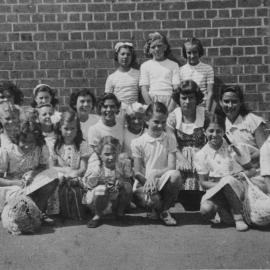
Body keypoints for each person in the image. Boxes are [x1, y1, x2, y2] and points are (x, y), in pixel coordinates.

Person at [194, 113, 257, 231]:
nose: (214, 135)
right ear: (205, 131)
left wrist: (242, 174)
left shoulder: (234, 148)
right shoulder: (201, 154)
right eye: (211, 131)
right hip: (216, 190)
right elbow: (203, 183)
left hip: (238, 189)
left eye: (219, 131)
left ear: (224, 131)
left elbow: (252, 170)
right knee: (205, 209)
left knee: (227, 180)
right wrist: (221, 186)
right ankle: (226, 212)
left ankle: (238, 218)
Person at [131, 102, 182, 226]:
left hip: (162, 180)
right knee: (152, 199)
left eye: (163, 122)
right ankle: (159, 209)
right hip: (144, 184)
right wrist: (148, 182)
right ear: (147, 120)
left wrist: (154, 175)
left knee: (176, 176)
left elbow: (171, 167)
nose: (160, 126)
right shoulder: (137, 142)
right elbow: (137, 172)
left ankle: (162, 211)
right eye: (156, 122)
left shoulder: (170, 138)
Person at [0, 117, 59, 225]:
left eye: (31, 142)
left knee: (53, 177)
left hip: (31, 184)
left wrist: (32, 174)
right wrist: (14, 182)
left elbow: (43, 166)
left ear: (37, 140)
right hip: (14, 187)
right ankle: (22, 214)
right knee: (16, 199)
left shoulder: (40, 147)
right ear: (16, 138)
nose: (27, 145)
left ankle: (38, 212)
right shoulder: (7, 151)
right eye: (23, 141)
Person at [167, 80, 206, 210]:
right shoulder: (173, 117)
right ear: (179, 99)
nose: (187, 102)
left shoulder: (205, 115)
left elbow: (212, 137)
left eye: (191, 98)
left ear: (197, 98)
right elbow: (171, 143)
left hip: (202, 153)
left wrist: (201, 157)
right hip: (179, 154)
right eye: (184, 98)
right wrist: (182, 159)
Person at [48, 109, 92, 218]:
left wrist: (74, 173)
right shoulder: (55, 145)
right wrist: (65, 171)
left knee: (81, 185)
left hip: (77, 176)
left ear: (77, 129)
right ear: (59, 128)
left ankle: (77, 208)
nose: (69, 132)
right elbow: (51, 167)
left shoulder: (81, 144)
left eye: (73, 129)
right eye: (66, 128)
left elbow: (83, 168)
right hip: (60, 175)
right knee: (55, 181)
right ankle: (56, 210)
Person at [82, 136, 133, 228]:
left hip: (114, 198)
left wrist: (120, 181)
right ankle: (97, 215)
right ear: (100, 155)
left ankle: (119, 213)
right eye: (107, 154)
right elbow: (88, 186)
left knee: (127, 186)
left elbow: (128, 178)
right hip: (98, 200)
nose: (111, 157)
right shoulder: (97, 167)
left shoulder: (121, 164)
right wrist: (99, 181)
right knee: (101, 189)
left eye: (114, 153)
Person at [217, 85, 267, 166]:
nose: (230, 105)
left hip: (254, 170)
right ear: (220, 102)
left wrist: (247, 161)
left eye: (234, 101)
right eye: (226, 101)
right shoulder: (217, 123)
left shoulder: (253, 120)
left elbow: (266, 150)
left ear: (240, 102)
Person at [140, 32, 180, 111]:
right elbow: (144, 89)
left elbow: (176, 89)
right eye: (153, 47)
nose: (157, 49)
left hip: (170, 100)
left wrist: (170, 108)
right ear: (149, 50)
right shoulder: (145, 66)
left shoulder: (174, 65)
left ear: (165, 47)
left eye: (159, 46)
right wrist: (152, 107)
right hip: (152, 100)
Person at [180, 37, 214, 112]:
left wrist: (207, 110)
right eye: (189, 53)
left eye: (195, 52)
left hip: (202, 105)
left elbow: (210, 92)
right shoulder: (181, 70)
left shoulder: (208, 69)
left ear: (199, 52)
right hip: (187, 106)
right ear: (185, 53)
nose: (192, 56)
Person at [105, 42, 140, 111]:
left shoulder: (138, 74)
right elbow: (107, 99)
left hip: (135, 112)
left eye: (128, 54)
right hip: (118, 112)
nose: (125, 57)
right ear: (117, 56)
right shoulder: (111, 78)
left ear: (132, 57)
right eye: (122, 54)